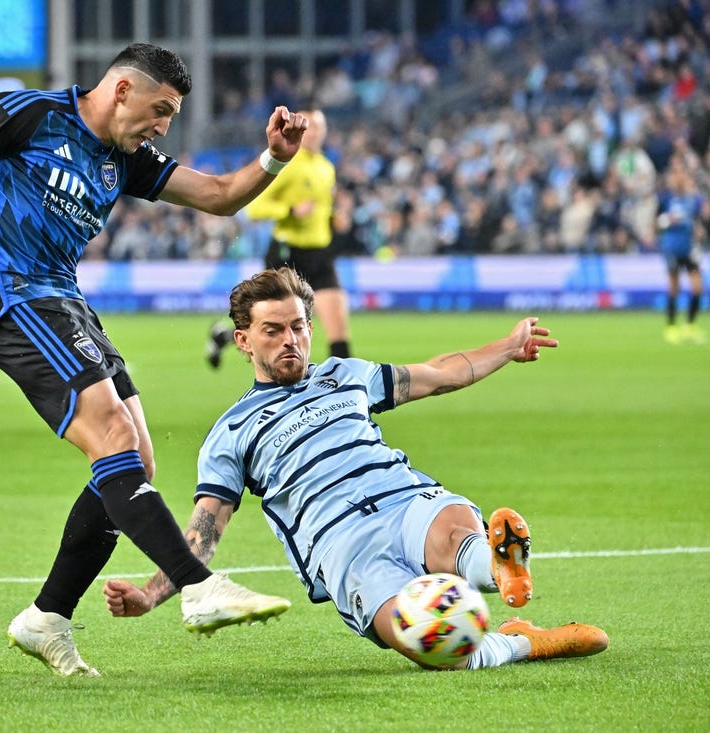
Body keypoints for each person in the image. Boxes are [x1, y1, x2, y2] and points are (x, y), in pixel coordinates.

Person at [0, 43, 310, 676]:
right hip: (16, 301)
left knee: (135, 460)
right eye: (160, 111)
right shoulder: (28, 114)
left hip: (67, 305)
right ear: (122, 90)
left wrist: (273, 158)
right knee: (113, 436)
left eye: (171, 118)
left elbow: (220, 194)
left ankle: (48, 617)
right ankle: (197, 585)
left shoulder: (123, 159)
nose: (162, 128)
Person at [104, 267, 609, 671]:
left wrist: (507, 346)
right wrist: (151, 594)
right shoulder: (231, 432)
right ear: (242, 341)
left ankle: (496, 565)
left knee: (452, 532)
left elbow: (437, 375)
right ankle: (519, 641)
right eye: (273, 330)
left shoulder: (345, 376)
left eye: (299, 327)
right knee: (432, 645)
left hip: (404, 500)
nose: (291, 341)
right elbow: (204, 533)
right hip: (343, 548)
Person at [206, 108, 351, 368]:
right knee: (267, 326)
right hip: (288, 254)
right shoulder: (288, 165)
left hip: (320, 253)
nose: (314, 132)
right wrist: (290, 210)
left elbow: (321, 206)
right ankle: (225, 336)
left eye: (319, 127)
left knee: (339, 333)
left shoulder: (326, 167)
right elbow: (255, 207)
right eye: (310, 127)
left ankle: (343, 400)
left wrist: (333, 217)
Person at [654, 163, 706, 344]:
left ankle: (690, 327)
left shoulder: (694, 199)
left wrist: (699, 230)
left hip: (689, 247)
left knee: (698, 288)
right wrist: (667, 220)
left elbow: (700, 219)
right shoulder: (666, 199)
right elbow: (656, 223)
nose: (679, 179)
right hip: (672, 247)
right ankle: (671, 327)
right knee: (674, 287)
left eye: (682, 175)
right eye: (675, 175)